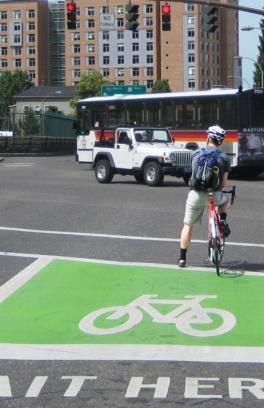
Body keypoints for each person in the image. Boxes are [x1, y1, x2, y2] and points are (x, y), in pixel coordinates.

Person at [178, 125, 231, 268]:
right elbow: (224, 183)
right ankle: (223, 221)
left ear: (208, 138)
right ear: (220, 142)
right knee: (225, 203)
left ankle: (182, 258)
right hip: (214, 195)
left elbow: (193, 175)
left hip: (195, 194)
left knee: (187, 225)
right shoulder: (224, 158)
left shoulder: (196, 154)